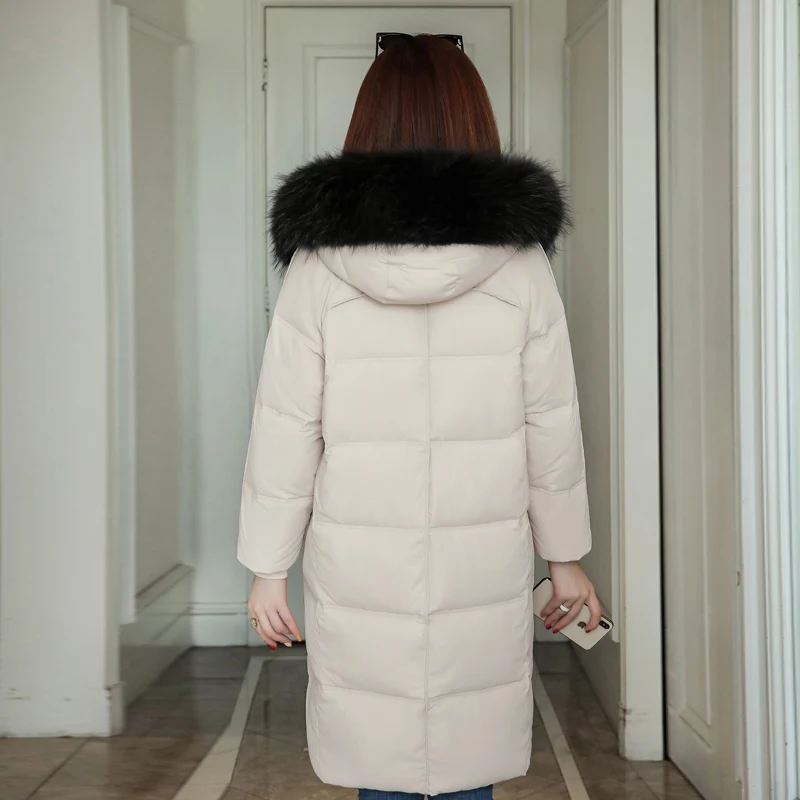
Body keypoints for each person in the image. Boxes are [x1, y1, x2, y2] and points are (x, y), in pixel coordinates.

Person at [237, 33, 601, 800]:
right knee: (470, 742)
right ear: (477, 123)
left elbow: (286, 423)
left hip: (360, 557)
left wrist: (269, 568)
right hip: (482, 552)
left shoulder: (318, 265)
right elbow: (551, 421)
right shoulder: (521, 262)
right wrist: (564, 556)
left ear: (365, 128)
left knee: (379, 746)